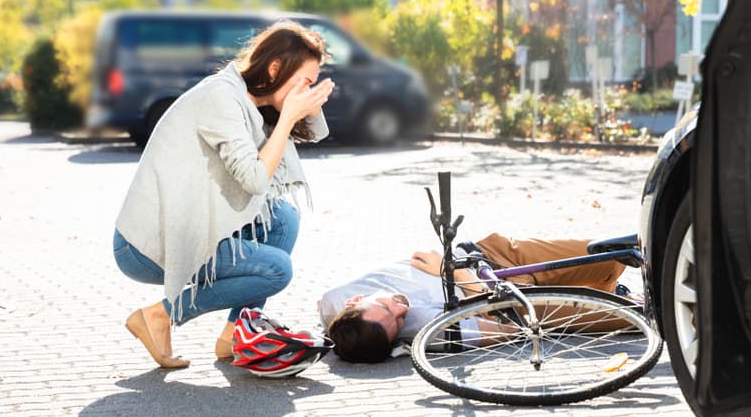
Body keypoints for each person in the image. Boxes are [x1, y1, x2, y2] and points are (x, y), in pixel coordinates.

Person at [113, 20, 334, 369]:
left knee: (283, 219)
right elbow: (255, 179)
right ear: (276, 68)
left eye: (311, 83)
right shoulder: (221, 97)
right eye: (303, 81)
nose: (305, 90)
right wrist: (289, 116)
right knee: (276, 270)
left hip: (192, 226)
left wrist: (305, 103)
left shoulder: (254, 102)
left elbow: (316, 133)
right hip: (146, 244)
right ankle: (160, 316)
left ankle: (234, 333)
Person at [320, 233, 631, 363]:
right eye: (397, 321)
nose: (401, 309)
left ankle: (613, 283)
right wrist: (451, 273)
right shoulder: (424, 330)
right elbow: (511, 329)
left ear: (355, 300)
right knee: (625, 313)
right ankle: (621, 298)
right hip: (506, 303)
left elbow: (325, 322)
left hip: (490, 255)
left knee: (611, 256)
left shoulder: (334, 302)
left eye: (386, 305)